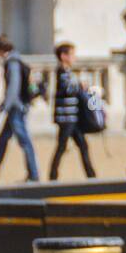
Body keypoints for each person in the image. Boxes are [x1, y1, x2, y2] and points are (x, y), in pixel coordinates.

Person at [0, 36, 39, 184]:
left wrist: (1, 110)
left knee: (24, 141)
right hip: (15, 107)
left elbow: (12, 90)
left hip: (16, 108)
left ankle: (33, 175)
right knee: (3, 140)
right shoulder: (14, 61)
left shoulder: (12, 63)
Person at [49, 43, 97, 180]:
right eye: (72, 54)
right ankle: (53, 175)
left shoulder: (67, 71)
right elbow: (67, 89)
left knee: (82, 145)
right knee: (62, 147)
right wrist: (80, 86)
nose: (74, 57)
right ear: (64, 56)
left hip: (72, 117)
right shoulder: (62, 72)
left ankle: (91, 175)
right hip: (66, 118)